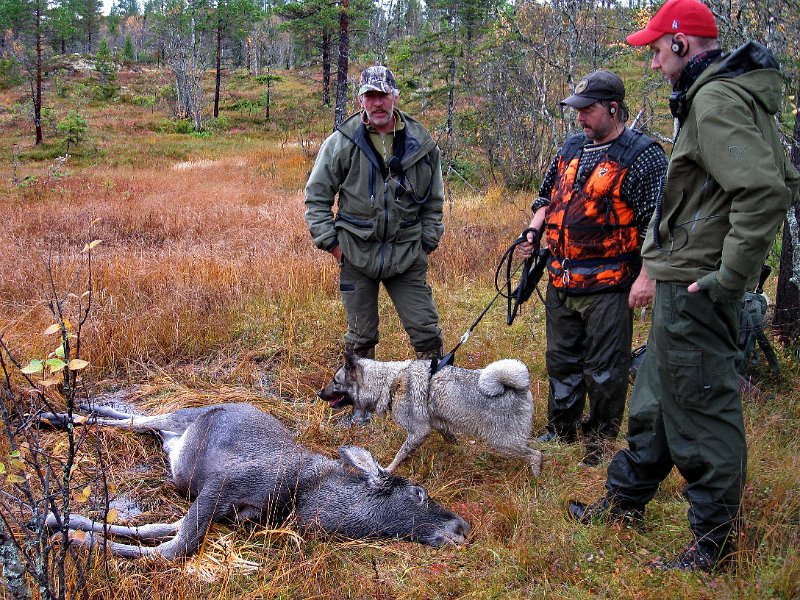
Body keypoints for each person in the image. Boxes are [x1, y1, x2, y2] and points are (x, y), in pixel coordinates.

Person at [568, 0, 799, 571]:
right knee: (654, 398)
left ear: (681, 43)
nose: (651, 63)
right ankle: (624, 501)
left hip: (700, 286)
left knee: (701, 407)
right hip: (680, 279)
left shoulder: (717, 99)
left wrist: (729, 275)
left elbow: (767, 190)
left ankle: (715, 545)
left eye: (654, 49)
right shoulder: (713, 96)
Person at [520, 70, 668, 466]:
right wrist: (533, 233)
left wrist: (647, 276)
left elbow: (659, 222)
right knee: (561, 360)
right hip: (561, 277)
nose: (580, 118)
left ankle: (599, 444)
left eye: (588, 110)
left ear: (614, 109)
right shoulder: (571, 147)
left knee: (605, 369)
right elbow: (545, 197)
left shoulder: (644, 156)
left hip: (610, 284)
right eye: (577, 110)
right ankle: (562, 430)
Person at [305, 65, 445, 366]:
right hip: (355, 253)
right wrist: (334, 246)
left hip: (407, 253)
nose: (377, 102)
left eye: (383, 94)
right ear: (360, 101)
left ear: (395, 96)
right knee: (360, 337)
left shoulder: (421, 143)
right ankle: (360, 406)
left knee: (427, 332)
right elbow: (316, 198)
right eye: (370, 95)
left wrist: (425, 246)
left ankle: (436, 400)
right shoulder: (341, 142)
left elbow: (434, 203)